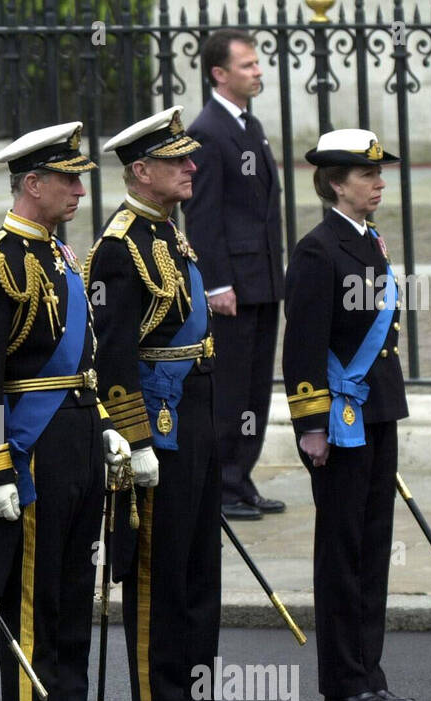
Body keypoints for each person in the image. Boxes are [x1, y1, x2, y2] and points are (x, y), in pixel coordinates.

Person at [0, 123, 133, 701]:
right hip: (30, 451)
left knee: (71, 592)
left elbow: (82, 362)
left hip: (78, 437)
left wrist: (106, 422)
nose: (81, 190)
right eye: (69, 179)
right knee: (34, 600)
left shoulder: (62, 258)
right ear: (33, 184)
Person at [88, 106, 247, 701]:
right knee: (159, 568)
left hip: (197, 409)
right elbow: (114, 354)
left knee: (198, 565)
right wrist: (137, 440)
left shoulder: (169, 233)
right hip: (159, 420)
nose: (191, 166)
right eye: (177, 160)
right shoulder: (121, 246)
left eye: (189, 156)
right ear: (140, 170)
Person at [282, 129, 413, 701]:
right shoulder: (318, 249)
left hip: (376, 407)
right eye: (367, 175)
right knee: (343, 547)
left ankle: (370, 670)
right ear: (337, 183)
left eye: (379, 173)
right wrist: (311, 425)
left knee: (373, 543)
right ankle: (345, 678)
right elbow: (303, 345)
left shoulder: (369, 240)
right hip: (339, 417)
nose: (379, 182)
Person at [183, 28, 285, 521]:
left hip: (261, 280)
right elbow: (203, 216)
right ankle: (222, 484)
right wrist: (217, 283)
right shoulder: (208, 130)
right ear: (219, 74)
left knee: (255, 386)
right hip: (234, 287)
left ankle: (241, 478)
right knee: (230, 387)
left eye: (257, 63)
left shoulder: (248, 125)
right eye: (247, 65)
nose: (258, 71)